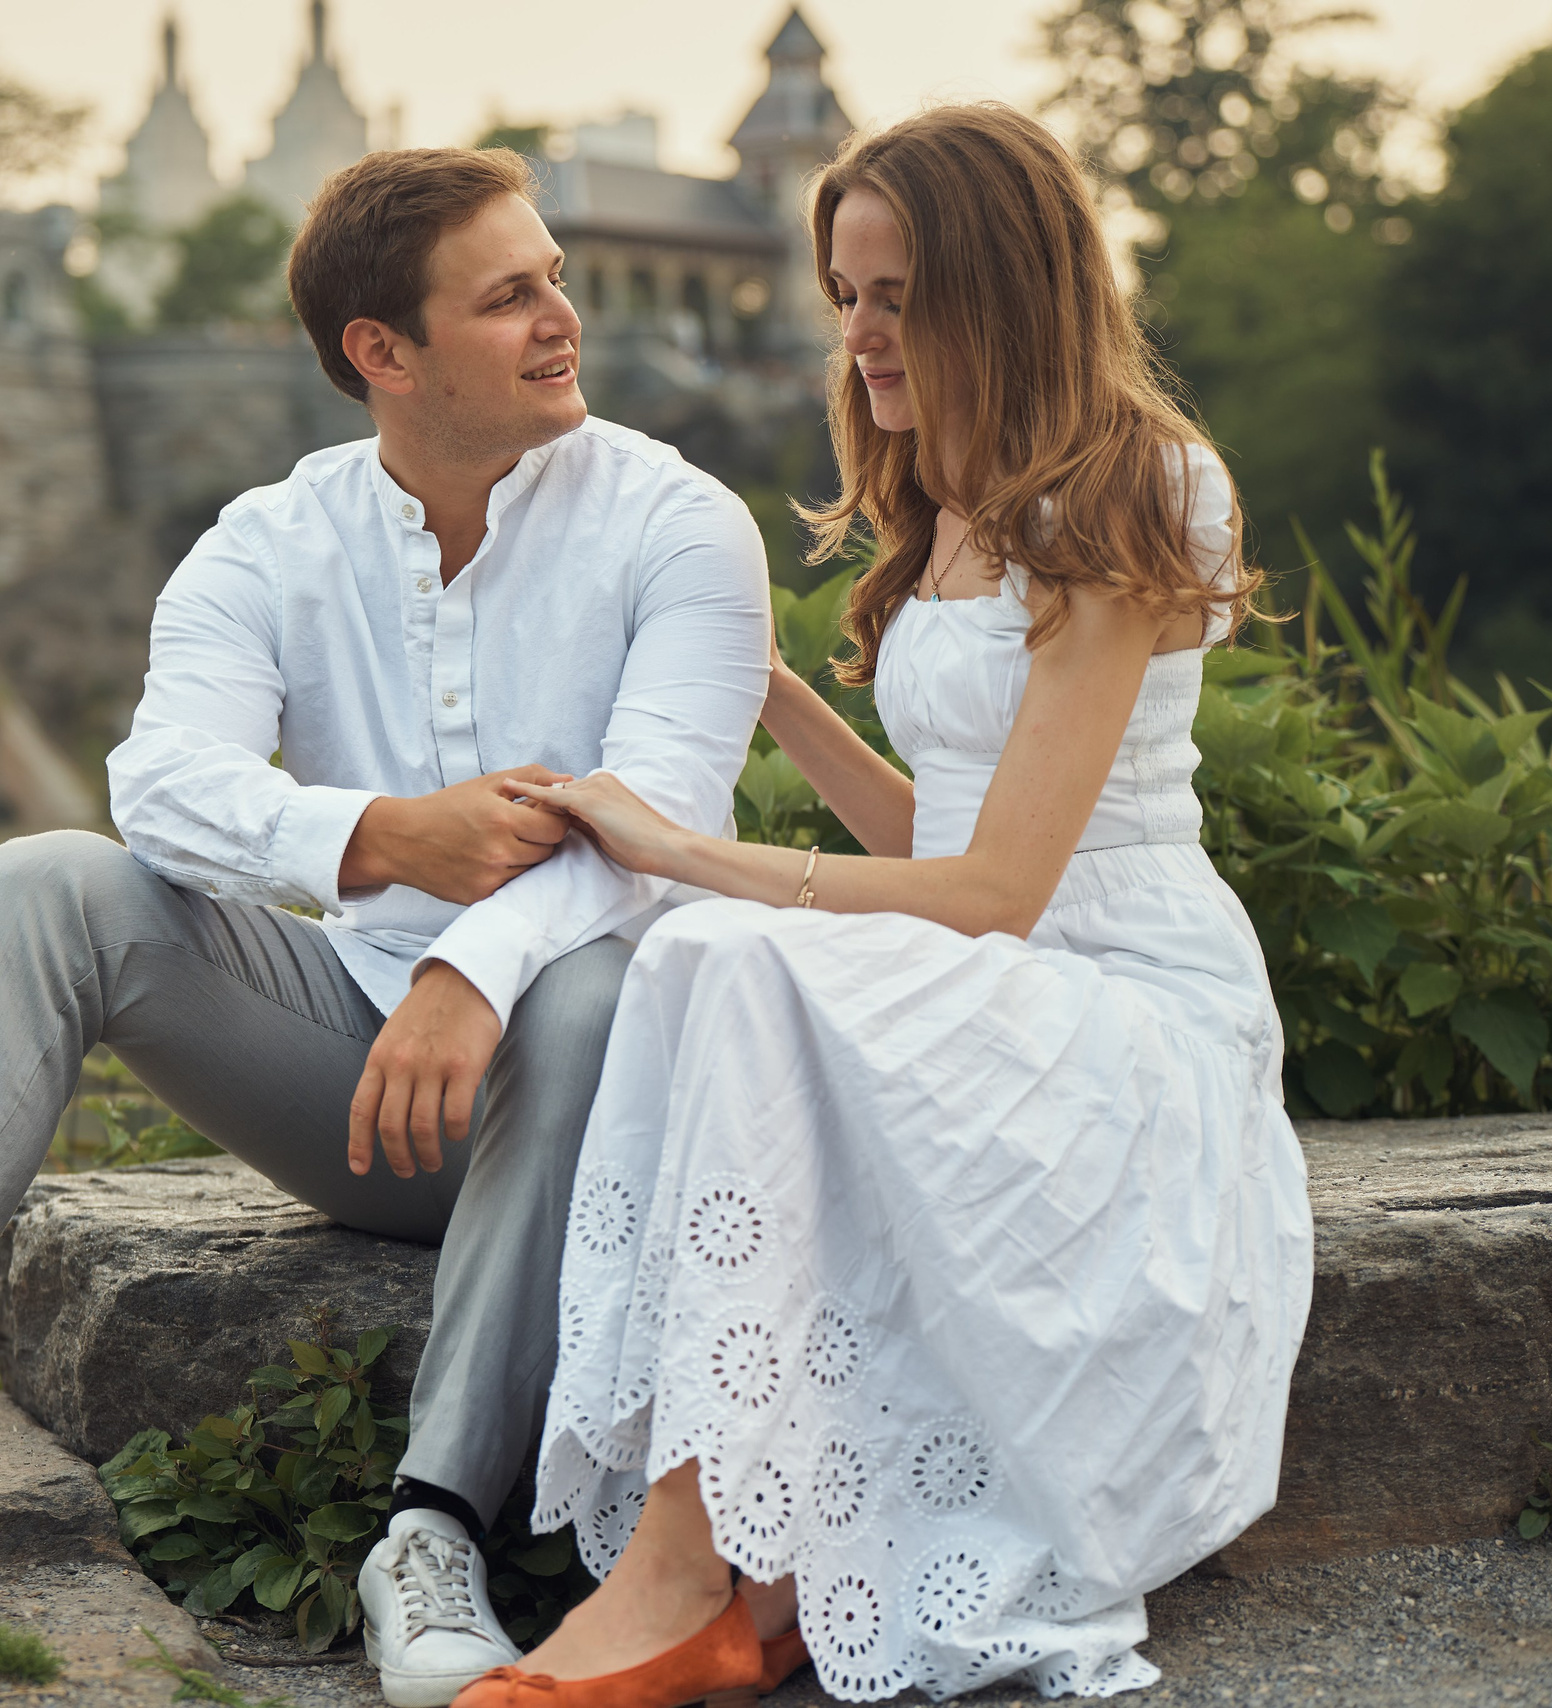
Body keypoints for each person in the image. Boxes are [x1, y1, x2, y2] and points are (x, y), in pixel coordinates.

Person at [0, 147, 772, 1708]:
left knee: (593, 984)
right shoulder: (272, 536)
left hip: (589, 1109)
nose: (563, 317)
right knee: (46, 877)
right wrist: (376, 838)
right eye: (510, 295)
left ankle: (433, 1530)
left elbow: (656, 833)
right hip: (350, 1073)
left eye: (552, 279)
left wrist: (476, 966)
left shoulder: (678, 524)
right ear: (379, 355)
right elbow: (160, 789)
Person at [455, 105, 1314, 1707]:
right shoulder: (949, 500)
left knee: (718, 944)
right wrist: (773, 693)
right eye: (846, 294)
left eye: (898, 294)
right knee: (721, 964)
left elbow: (998, 890)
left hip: (1132, 997)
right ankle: (734, 1564)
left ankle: (682, 1580)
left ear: (1007, 285)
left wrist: (681, 850)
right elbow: (955, 831)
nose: (861, 336)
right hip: (1009, 968)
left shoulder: (1139, 486)